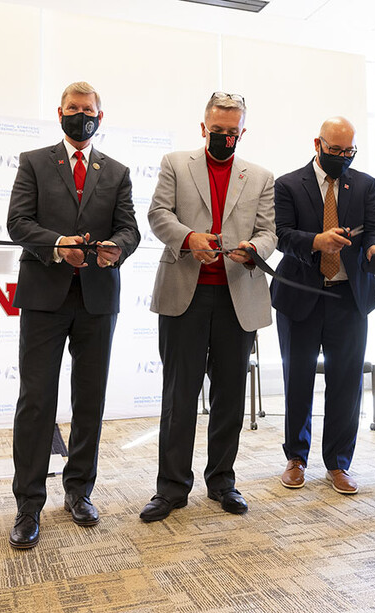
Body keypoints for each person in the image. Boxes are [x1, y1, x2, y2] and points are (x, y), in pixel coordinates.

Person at [6, 81, 140, 549]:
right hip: (45, 295)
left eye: (88, 110)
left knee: (90, 401)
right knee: (36, 401)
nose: (80, 115)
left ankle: (79, 491)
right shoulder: (34, 162)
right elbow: (18, 223)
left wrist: (115, 249)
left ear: (100, 117)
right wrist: (59, 246)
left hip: (98, 299)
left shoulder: (117, 171)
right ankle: (28, 505)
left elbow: (130, 229)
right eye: (73, 108)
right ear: (59, 112)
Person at [141, 92, 276, 522]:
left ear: (242, 132)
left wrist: (255, 247)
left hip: (238, 295)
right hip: (186, 293)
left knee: (230, 396)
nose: (224, 138)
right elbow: (158, 214)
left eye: (232, 132)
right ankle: (171, 488)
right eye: (217, 131)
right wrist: (188, 238)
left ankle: (222, 482)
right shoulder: (176, 164)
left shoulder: (260, 176)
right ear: (203, 128)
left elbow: (269, 231)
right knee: (179, 395)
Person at [272, 117, 375, 494]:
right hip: (300, 296)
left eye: (349, 151)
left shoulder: (365, 184)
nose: (343, 157)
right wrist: (316, 241)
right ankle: (296, 458)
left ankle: (339, 464)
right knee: (298, 379)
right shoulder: (289, 184)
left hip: (349, 297)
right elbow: (281, 236)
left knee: (346, 382)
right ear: (318, 144)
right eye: (336, 150)